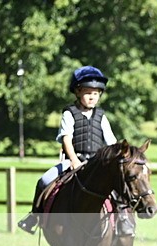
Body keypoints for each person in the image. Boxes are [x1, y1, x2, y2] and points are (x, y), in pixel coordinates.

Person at [17, 65, 127, 234]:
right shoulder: (70, 113)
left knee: (118, 186)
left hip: (96, 164)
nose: (92, 97)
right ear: (77, 92)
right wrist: (74, 160)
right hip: (72, 160)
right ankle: (34, 217)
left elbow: (111, 141)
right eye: (88, 93)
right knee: (44, 180)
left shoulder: (101, 116)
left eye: (96, 93)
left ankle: (123, 222)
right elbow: (66, 139)